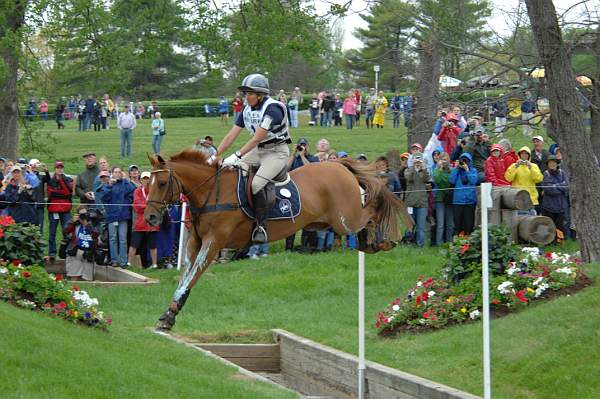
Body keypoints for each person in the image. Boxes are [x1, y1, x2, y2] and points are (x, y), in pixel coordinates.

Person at [213, 73, 292, 243]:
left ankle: (261, 226)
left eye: (250, 94)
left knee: (256, 184)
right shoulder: (246, 110)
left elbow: (257, 137)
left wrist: (236, 155)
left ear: (260, 94)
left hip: (277, 152)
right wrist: (215, 154)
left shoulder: (273, 109)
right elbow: (231, 135)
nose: (246, 97)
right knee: (231, 171)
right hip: (259, 151)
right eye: (245, 93)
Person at [99, 166, 136, 267]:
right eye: (115, 172)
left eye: (119, 172)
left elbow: (133, 191)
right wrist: (110, 185)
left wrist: (126, 180)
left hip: (123, 216)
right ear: (112, 174)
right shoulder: (108, 184)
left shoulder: (125, 183)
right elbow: (103, 198)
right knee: (112, 238)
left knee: (123, 239)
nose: (117, 174)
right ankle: (114, 260)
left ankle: (124, 261)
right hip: (112, 216)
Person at [128, 172, 159, 269]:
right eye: (144, 179)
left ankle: (154, 264)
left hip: (152, 222)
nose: (146, 181)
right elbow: (137, 206)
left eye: (147, 178)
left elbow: (156, 206)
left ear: (150, 180)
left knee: (153, 245)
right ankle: (129, 263)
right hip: (140, 222)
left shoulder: (155, 191)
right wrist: (148, 205)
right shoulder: (137, 191)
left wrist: (145, 205)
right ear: (141, 180)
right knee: (134, 244)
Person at [47, 161, 73, 261]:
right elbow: (50, 194)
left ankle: (66, 251)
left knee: (67, 231)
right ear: (55, 169)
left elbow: (68, 193)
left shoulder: (68, 179)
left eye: (61, 167)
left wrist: (61, 182)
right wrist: (61, 192)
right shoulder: (51, 180)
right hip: (53, 209)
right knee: (52, 232)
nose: (59, 169)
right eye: (57, 167)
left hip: (65, 209)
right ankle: (52, 253)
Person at [63, 207, 99, 281]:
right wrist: (72, 222)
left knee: (88, 278)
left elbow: (96, 234)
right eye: (81, 214)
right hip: (76, 250)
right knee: (74, 275)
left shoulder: (94, 222)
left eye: (85, 214)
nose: (83, 216)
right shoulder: (74, 223)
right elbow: (65, 232)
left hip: (89, 252)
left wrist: (87, 224)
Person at [504, 147, 544, 212]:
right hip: (518, 197)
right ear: (519, 155)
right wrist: (515, 166)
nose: (524, 156)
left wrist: (531, 168)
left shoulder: (534, 166)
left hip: (531, 198)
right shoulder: (514, 165)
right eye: (522, 154)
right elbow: (508, 178)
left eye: (526, 154)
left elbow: (538, 179)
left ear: (529, 155)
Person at [404, 152, 431, 247]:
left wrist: (422, 168)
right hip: (410, 203)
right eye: (416, 159)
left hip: (422, 203)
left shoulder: (424, 170)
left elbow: (426, 179)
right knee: (410, 225)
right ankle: (407, 242)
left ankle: (420, 246)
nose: (418, 161)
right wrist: (413, 167)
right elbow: (409, 178)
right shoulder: (408, 170)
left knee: (421, 227)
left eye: (419, 159)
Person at [540, 155, 569, 242]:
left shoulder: (562, 173)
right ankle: (549, 241)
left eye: (554, 162)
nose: (552, 164)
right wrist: (560, 186)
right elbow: (548, 190)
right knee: (549, 224)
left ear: (557, 163)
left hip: (560, 204)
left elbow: (567, 186)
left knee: (560, 225)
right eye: (550, 163)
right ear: (548, 164)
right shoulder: (546, 173)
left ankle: (559, 241)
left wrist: (555, 186)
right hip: (548, 205)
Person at [449, 152, 478, 235]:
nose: (464, 162)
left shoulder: (473, 170)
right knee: (457, 225)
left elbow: (473, 181)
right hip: (458, 202)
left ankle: (468, 244)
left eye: (466, 160)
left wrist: (467, 170)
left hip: (470, 202)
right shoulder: (457, 171)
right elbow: (451, 180)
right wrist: (456, 168)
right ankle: (457, 244)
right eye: (463, 160)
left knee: (469, 225)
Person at [433, 152, 454, 244]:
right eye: (442, 159)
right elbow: (437, 180)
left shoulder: (452, 170)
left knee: (450, 224)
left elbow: (450, 181)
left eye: (445, 159)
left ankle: (449, 243)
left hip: (449, 199)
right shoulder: (437, 170)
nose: (444, 162)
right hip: (439, 199)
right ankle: (439, 243)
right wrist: (439, 168)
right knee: (440, 224)